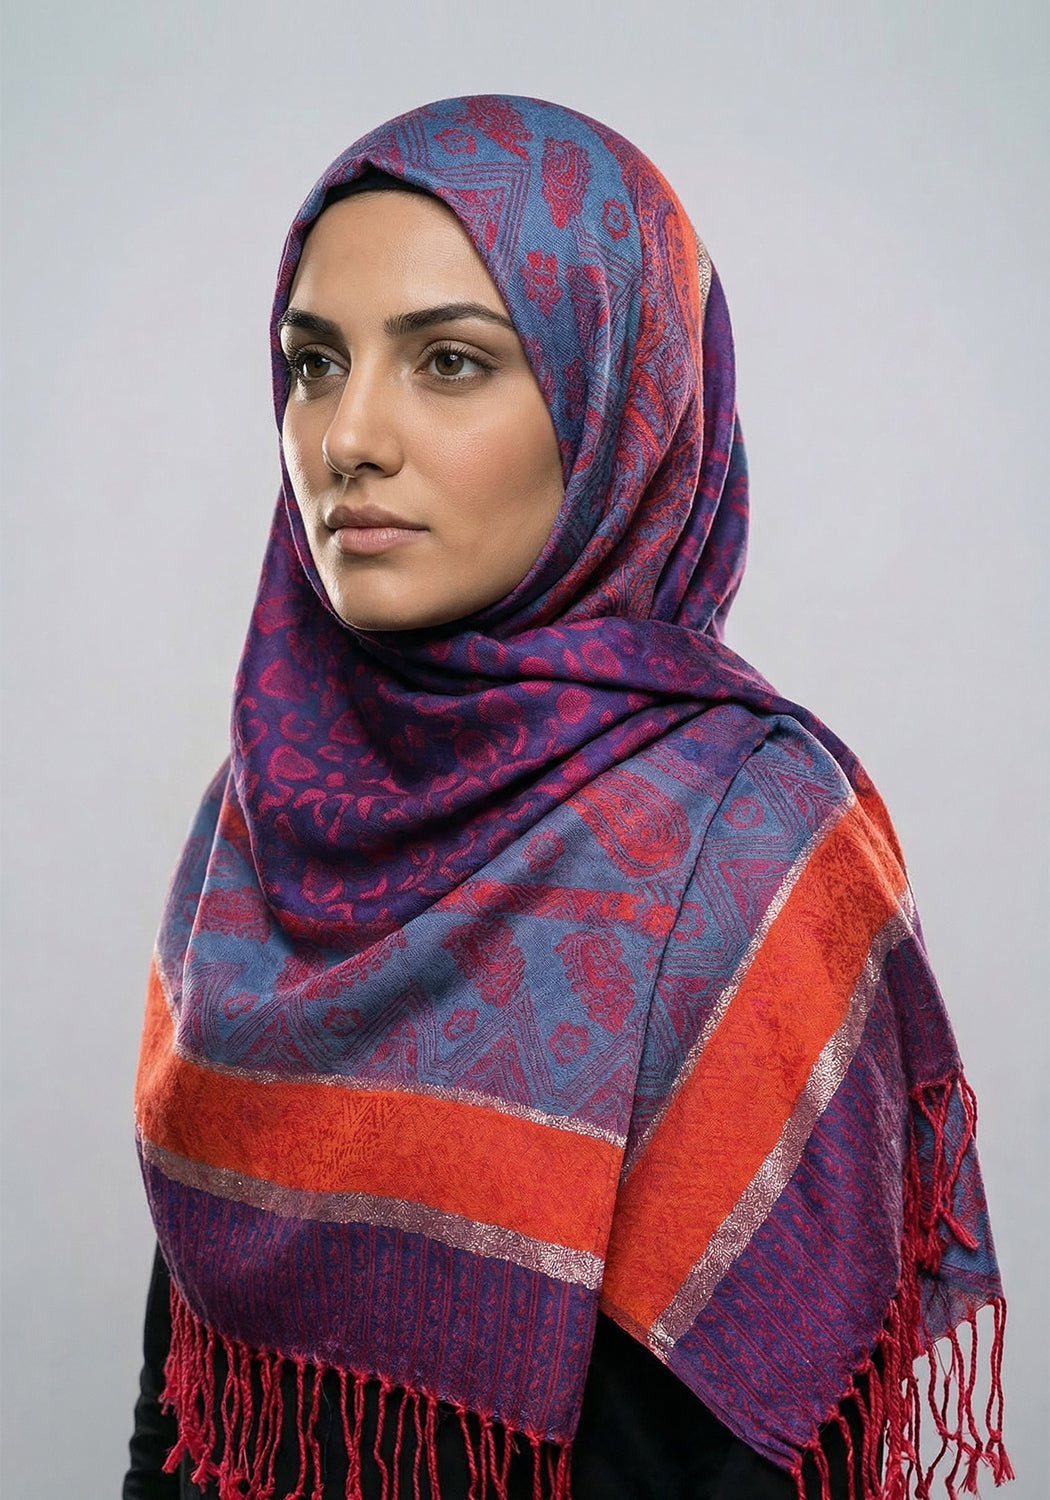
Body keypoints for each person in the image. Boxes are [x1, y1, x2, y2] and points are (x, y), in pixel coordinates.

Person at [124, 96, 1012, 1500]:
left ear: (619, 402)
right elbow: (186, 1402)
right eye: (312, 363)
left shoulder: (749, 841)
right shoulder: (268, 808)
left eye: (450, 361)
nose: (347, 436)